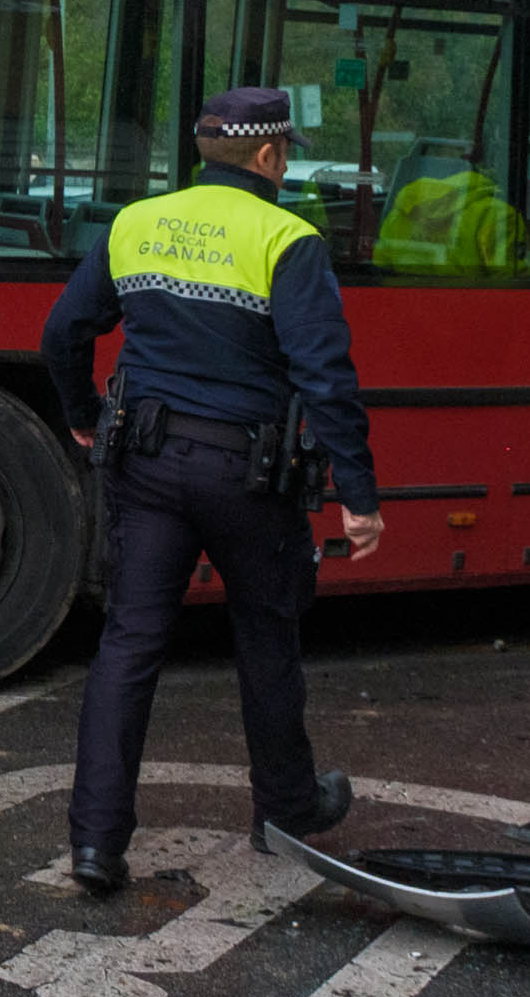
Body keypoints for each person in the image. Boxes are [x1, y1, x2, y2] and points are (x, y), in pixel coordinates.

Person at [43, 86, 386, 899]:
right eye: (286, 151)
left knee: (128, 644)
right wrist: (359, 491)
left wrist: (84, 415)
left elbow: (63, 332)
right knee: (267, 638)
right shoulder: (288, 238)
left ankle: (95, 843)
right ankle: (285, 815)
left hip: (148, 466)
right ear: (269, 157)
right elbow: (324, 377)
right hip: (248, 478)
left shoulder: (136, 223)